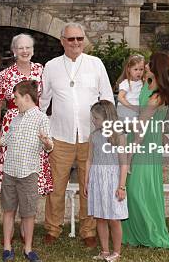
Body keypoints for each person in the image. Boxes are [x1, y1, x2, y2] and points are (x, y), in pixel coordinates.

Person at [40, 22, 114, 247]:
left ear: (84, 40)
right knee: (56, 187)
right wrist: (42, 130)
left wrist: (107, 131)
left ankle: (88, 230)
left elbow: (108, 98)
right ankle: (53, 228)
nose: (75, 43)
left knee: (89, 186)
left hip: (91, 137)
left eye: (79, 39)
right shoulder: (51, 66)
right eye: (71, 39)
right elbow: (43, 101)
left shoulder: (95, 64)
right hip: (60, 136)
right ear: (62, 41)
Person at [0, 80, 54, 262]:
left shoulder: (41, 118)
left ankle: (28, 248)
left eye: (16, 98)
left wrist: (46, 142)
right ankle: (7, 248)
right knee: (8, 210)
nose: (14, 101)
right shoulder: (15, 118)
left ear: (27, 97)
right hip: (10, 172)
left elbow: (50, 147)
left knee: (28, 213)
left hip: (29, 174)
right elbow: (6, 140)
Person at [121, 53, 169, 250]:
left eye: (149, 63)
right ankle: (131, 233)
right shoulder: (147, 84)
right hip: (141, 140)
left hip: (143, 145)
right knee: (133, 188)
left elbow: (141, 129)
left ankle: (148, 231)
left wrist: (128, 159)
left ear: (157, 68)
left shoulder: (157, 97)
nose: (145, 65)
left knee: (138, 189)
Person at [0, 34, 52, 202]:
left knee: (32, 165)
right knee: (11, 168)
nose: (24, 51)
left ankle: (30, 206)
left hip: (35, 123)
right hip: (11, 123)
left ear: (33, 50)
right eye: (20, 48)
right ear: (14, 51)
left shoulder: (41, 70)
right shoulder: (4, 75)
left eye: (28, 47)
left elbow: (47, 97)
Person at [85, 100, 128, 262]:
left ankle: (116, 252)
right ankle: (104, 250)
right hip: (97, 178)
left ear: (107, 118)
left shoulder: (119, 136)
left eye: (95, 118)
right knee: (100, 217)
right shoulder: (94, 136)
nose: (93, 121)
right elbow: (89, 159)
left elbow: (124, 163)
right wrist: (87, 180)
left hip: (113, 180)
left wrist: (121, 186)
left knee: (114, 218)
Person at [116, 54, 145, 120]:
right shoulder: (126, 83)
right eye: (135, 69)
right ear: (129, 69)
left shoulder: (142, 82)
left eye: (141, 69)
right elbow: (120, 97)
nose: (139, 72)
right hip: (126, 113)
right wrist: (132, 107)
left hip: (136, 114)